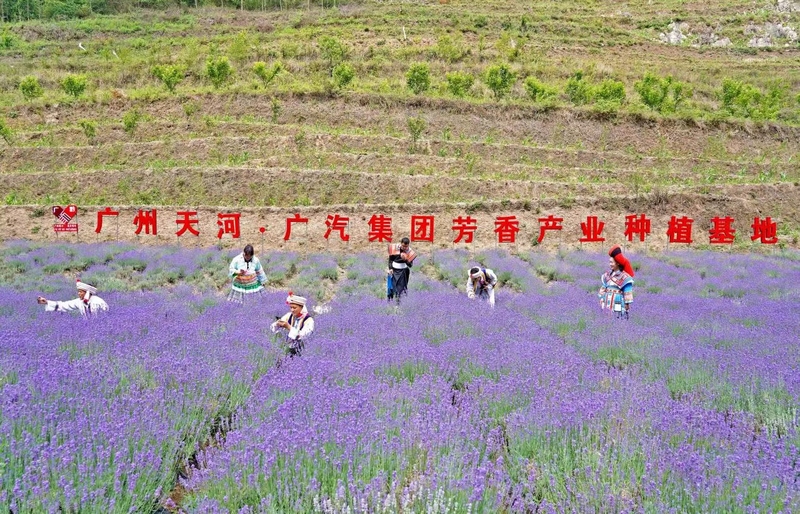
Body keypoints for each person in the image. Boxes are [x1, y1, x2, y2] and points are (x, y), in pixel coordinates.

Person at [271, 293, 314, 358]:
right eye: (291, 307)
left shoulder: (308, 320)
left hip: (301, 350)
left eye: (294, 308)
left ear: (301, 307)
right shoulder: (289, 315)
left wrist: (289, 327)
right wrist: (278, 324)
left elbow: (303, 335)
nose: (292, 310)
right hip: (286, 347)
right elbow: (273, 327)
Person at [598, 245, 635, 319]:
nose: (610, 264)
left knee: (617, 319)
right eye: (609, 262)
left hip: (618, 302)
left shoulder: (625, 277)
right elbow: (604, 287)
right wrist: (601, 298)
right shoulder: (607, 275)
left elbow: (627, 291)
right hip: (607, 302)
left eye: (612, 262)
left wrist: (627, 304)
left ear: (617, 263)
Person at [37, 279, 109, 316]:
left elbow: (106, 316)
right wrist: (47, 302)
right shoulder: (79, 302)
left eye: (81, 292)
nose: (79, 294)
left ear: (87, 292)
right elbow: (64, 305)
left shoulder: (98, 302)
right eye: (78, 291)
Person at [387, 237, 416, 303]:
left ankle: (400, 303)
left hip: (403, 272)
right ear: (401, 244)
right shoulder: (394, 248)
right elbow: (390, 260)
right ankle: (392, 301)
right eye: (403, 246)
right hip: (394, 271)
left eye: (406, 246)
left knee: (402, 288)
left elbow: (410, 265)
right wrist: (390, 268)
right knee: (393, 286)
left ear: (408, 245)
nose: (404, 248)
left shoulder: (409, 252)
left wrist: (405, 259)